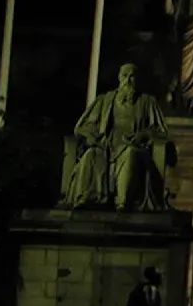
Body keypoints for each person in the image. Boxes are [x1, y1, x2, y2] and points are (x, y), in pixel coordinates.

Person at [63, 63, 171, 211]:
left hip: (133, 145)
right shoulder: (104, 100)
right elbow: (81, 127)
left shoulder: (147, 102)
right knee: (91, 155)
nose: (128, 80)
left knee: (130, 154)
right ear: (119, 78)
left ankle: (123, 202)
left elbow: (161, 131)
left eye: (132, 76)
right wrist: (92, 137)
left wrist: (143, 134)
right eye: (125, 76)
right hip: (106, 144)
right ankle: (89, 198)